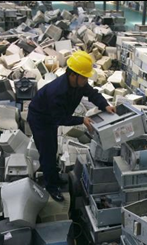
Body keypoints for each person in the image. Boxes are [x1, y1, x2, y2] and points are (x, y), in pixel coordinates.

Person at [28, 51, 116, 202]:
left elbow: (92, 94)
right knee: (47, 152)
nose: (86, 80)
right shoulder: (57, 92)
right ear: (73, 75)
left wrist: (105, 105)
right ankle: (51, 186)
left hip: (50, 117)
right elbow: (59, 118)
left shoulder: (79, 83)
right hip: (40, 119)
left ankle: (54, 177)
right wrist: (82, 120)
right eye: (84, 77)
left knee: (53, 148)